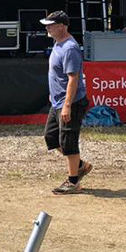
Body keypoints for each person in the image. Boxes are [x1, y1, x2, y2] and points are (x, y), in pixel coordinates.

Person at [40, 11, 93, 194]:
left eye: (50, 25)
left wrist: (67, 105)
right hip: (57, 102)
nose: (47, 28)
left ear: (61, 26)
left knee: (68, 140)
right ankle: (80, 165)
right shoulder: (58, 44)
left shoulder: (70, 48)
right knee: (51, 137)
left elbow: (73, 79)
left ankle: (73, 182)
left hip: (70, 103)